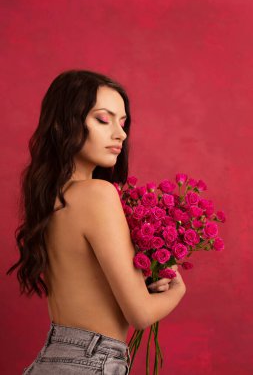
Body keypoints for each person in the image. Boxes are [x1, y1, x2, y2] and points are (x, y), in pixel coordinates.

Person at [6, 69, 186, 374]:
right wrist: (178, 288)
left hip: (51, 359)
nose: (121, 133)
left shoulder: (53, 199)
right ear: (66, 123)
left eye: (123, 122)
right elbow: (140, 314)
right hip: (90, 363)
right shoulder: (98, 195)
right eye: (103, 119)